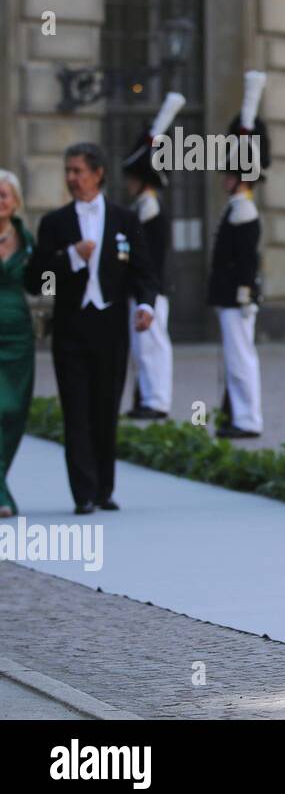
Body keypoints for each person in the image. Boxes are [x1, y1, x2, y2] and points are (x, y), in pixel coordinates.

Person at [24, 143, 157, 514]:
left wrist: (146, 305)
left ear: (98, 174)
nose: (70, 178)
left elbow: (144, 272)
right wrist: (69, 258)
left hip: (111, 326)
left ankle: (104, 490)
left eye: (77, 171)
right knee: (76, 412)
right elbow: (39, 282)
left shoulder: (125, 220)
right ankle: (82, 494)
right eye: (67, 171)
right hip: (70, 328)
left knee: (105, 408)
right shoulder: (54, 223)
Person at [208, 71, 267, 439]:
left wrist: (244, 291)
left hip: (237, 295)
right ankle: (238, 414)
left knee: (242, 358)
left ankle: (248, 418)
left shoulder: (244, 210)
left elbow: (246, 258)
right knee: (234, 359)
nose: (224, 178)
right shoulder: (235, 207)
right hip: (229, 294)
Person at [122, 92, 184, 421]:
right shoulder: (141, 209)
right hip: (142, 290)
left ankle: (157, 399)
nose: (129, 184)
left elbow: (153, 257)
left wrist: (149, 288)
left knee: (154, 347)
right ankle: (147, 395)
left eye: (133, 179)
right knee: (142, 349)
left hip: (153, 290)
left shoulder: (151, 211)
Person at [0, 170, 36, 518]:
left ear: (15, 202)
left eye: (4, 195)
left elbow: (42, 283)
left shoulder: (26, 240)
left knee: (14, 413)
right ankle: (1, 496)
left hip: (18, 334)